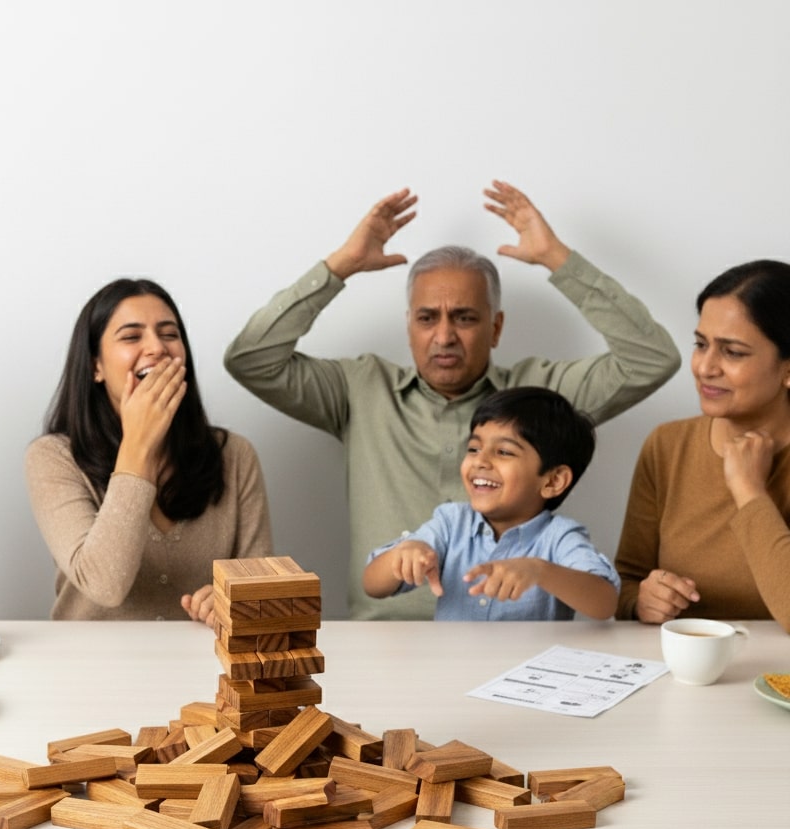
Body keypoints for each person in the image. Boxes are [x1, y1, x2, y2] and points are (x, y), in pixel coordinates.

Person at [225, 180, 680, 621]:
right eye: (427, 318)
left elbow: (652, 360)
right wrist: (340, 266)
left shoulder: (541, 397)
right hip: (385, 645)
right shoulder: (359, 388)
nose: (444, 336)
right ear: (409, 326)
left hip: (517, 651)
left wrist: (558, 260)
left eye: (464, 317)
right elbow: (250, 359)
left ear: (495, 327)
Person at [26, 277, 272, 623]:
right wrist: (138, 446)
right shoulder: (54, 458)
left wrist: (237, 599)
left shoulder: (235, 455)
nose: (157, 348)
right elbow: (104, 585)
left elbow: (261, 589)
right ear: (96, 365)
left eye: (170, 334)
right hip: (87, 668)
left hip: (203, 665)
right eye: (131, 336)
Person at [615, 259, 790, 631]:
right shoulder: (667, 446)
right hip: (682, 674)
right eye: (701, 344)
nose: (704, 367)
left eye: (733, 352)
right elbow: (626, 581)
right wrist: (641, 600)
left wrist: (749, 490)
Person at [363, 387, 619, 620]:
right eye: (474, 449)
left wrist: (540, 571)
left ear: (553, 481)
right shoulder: (451, 522)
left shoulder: (560, 537)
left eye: (504, 452)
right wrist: (405, 553)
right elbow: (372, 585)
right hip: (451, 666)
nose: (480, 462)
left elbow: (605, 603)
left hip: (529, 668)